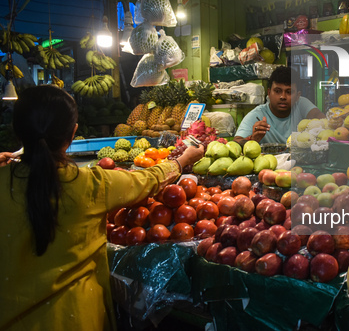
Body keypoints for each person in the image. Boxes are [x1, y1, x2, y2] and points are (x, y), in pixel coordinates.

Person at [0, 86, 204, 331]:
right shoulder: (91, 184)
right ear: (73, 133)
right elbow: (146, 180)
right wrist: (181, 160)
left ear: (17, 132)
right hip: (78, 317)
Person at [234, 66, 325, 145]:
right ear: (269, 93)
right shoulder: (258, 115)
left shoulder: (301, 104)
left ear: (298, 96)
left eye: (289, 92)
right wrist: (252, 139)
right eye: (277, 91)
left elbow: (321, 120)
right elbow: (236, 142)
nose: (283, 97)